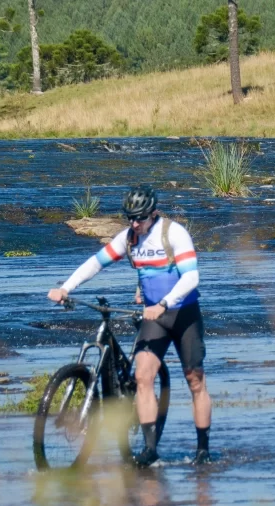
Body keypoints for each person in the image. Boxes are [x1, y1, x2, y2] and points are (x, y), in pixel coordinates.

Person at [47, 186, 212, 467]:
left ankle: (203, 450)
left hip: (183, 313)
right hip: (154, 317)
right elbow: (96, 263)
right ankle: (149, 451)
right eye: (130, 218)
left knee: (195, 381)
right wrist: (65, 287)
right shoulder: (129, 238)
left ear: (154, 213)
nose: (135, 224)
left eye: (141, 218)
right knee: (143, 377)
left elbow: (191, 278)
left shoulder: (174, 234)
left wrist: (164, 302)